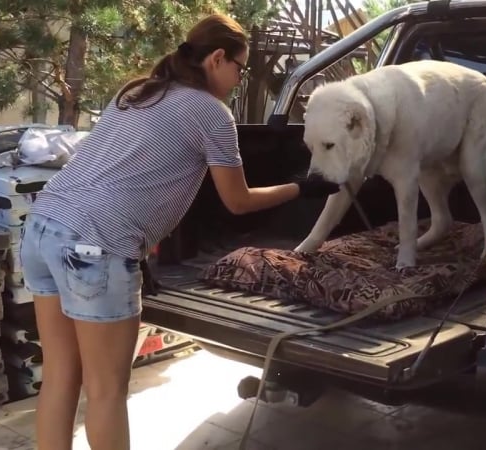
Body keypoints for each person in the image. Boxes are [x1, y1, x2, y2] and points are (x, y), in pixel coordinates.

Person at [19, 13, 340, 450]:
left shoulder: (136, 92)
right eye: (240, 68)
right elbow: (238, 201)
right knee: (107, 391)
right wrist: (302, 188)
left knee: (59, 376)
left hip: (42, 230)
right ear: (218, 58)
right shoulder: (212, 113)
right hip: (96, 245)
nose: (240, 79)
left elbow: (131, 172)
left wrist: (143, 244)